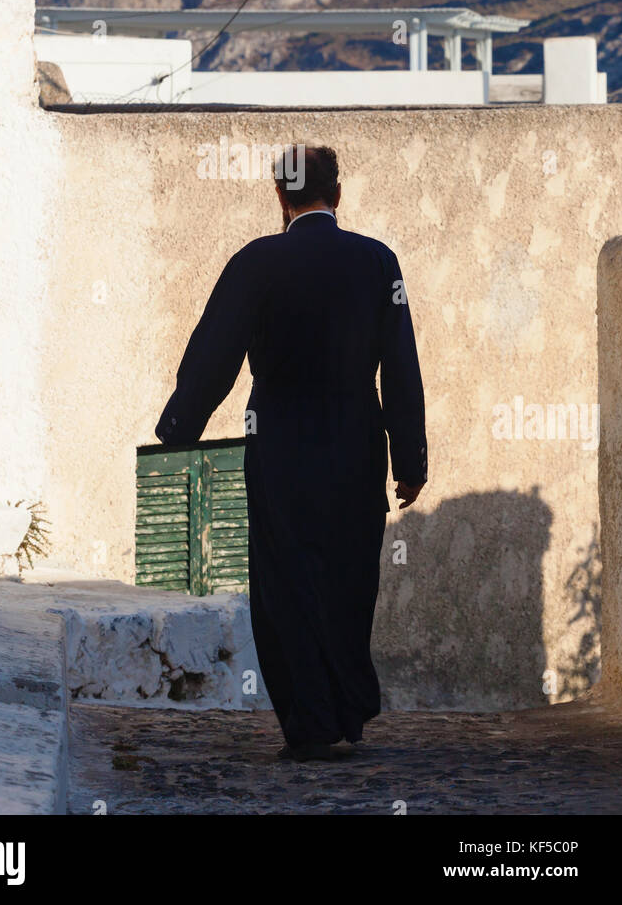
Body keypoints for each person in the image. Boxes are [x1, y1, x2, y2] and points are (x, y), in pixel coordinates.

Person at [156, 144, 427, 762]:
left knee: (287, 582)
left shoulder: (257, 262)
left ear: (280, 194)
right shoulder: (377, 262)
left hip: (280, 446)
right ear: (338, 192)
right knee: (348, 579)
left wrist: (180, 427)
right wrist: (409, 460)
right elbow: (402, 369)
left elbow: (214, 354)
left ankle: (309, 721)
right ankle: (346, 710)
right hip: (358, 447)